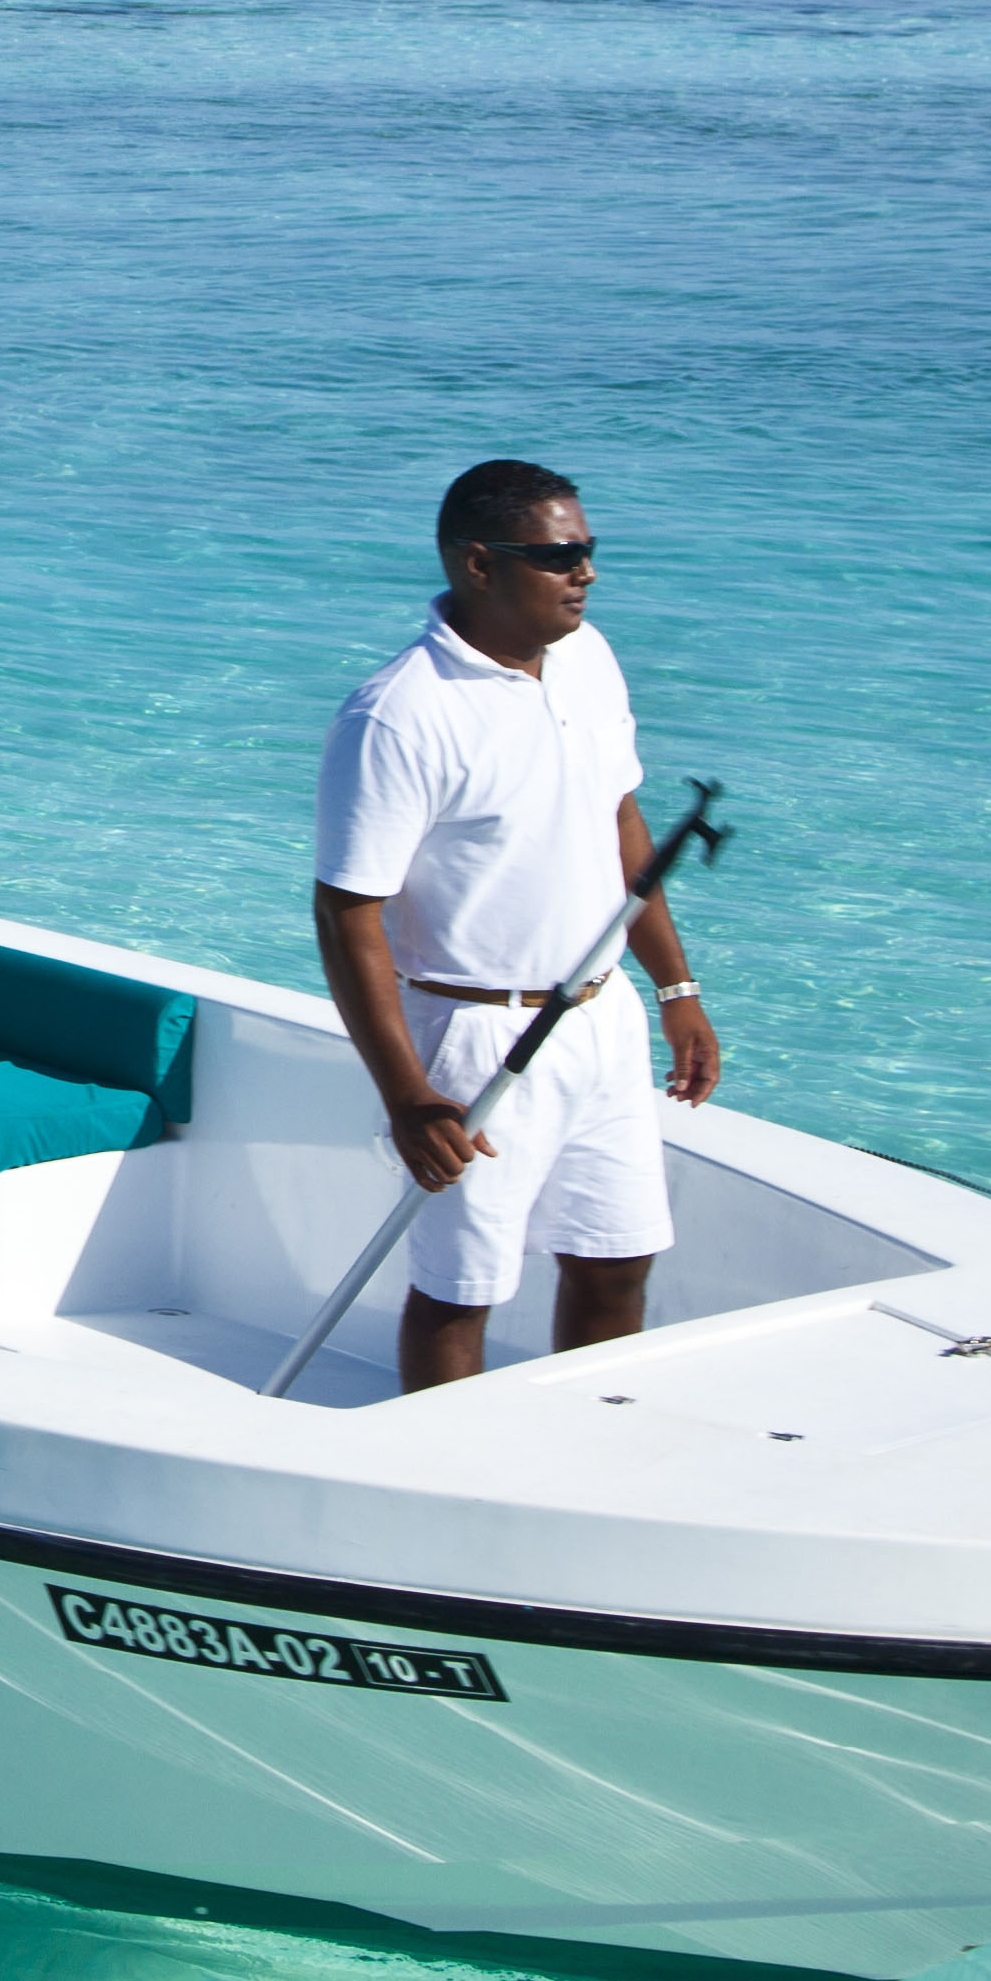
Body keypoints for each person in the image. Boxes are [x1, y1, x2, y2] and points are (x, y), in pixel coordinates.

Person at [309, 458, 720, 1394]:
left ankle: (585, 1442)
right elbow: (346, 912)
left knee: (616, 1262)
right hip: (472, 1036)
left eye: (589, 551)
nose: (587, 572)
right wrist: (407, 1096)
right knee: (461, 1293)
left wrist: (677, 989)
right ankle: (443, 1467)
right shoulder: (399, 716)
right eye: (560, 556)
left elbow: (622, 823)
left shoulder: (589, 658)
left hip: (600, 1018)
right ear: (479, 564)